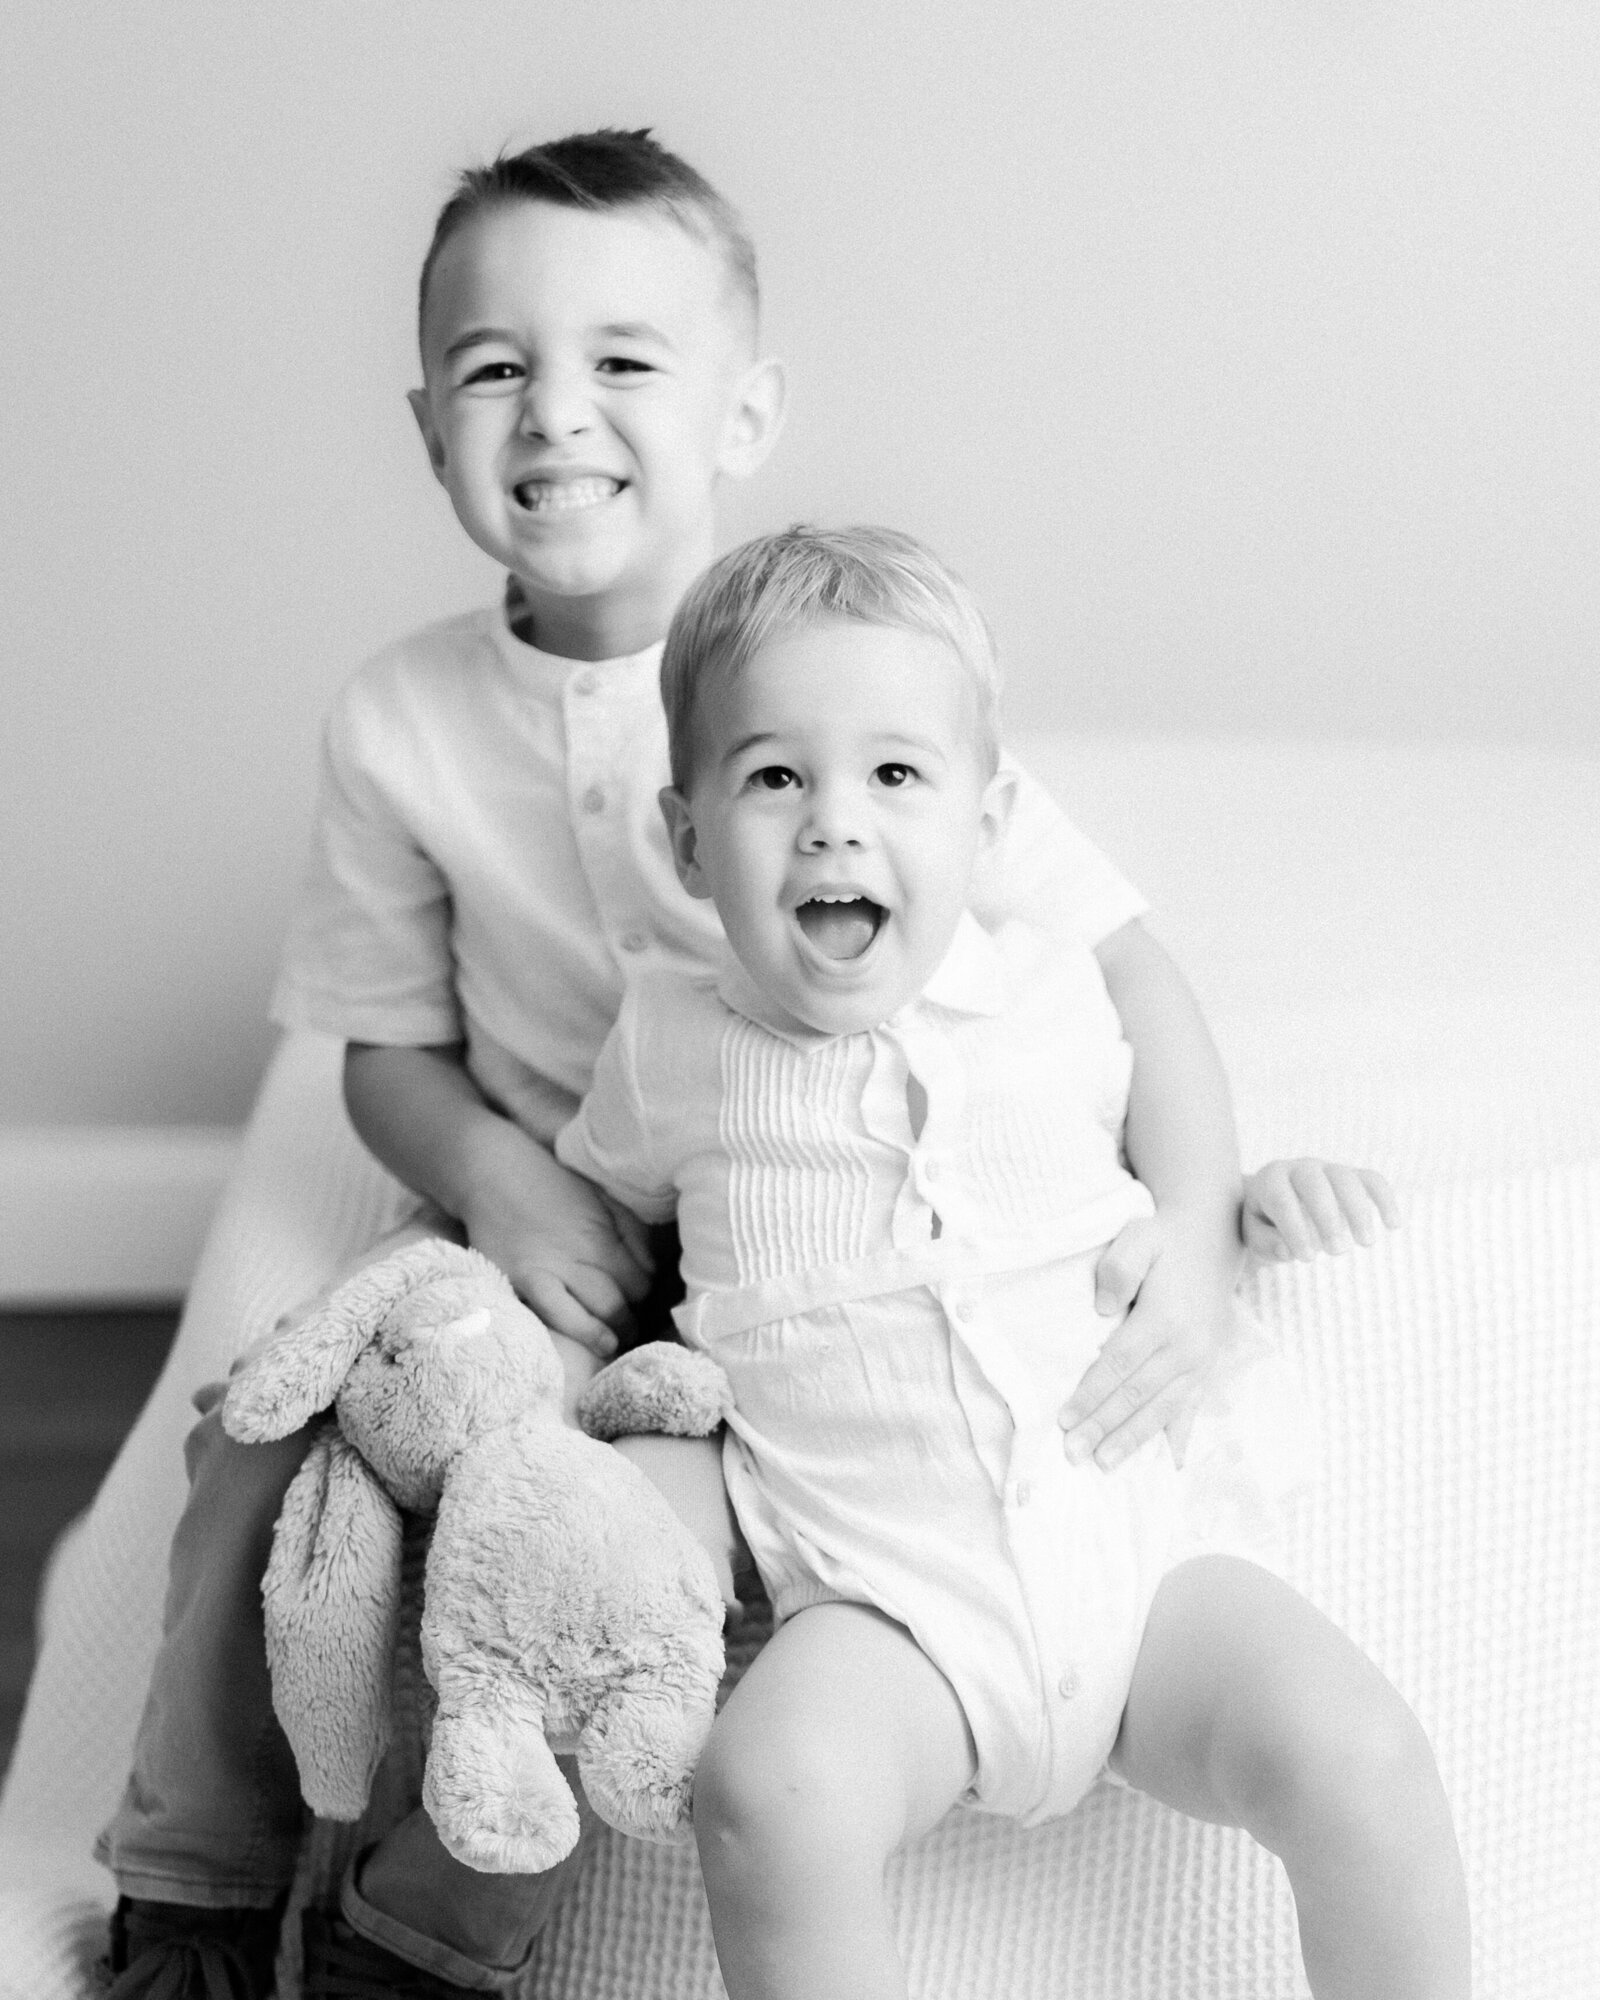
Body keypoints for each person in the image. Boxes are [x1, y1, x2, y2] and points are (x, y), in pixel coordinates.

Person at [96, 131, 1394, 2000]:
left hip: (772, 1278)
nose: (558, 414)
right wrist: (499, 1178)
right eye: (494, 369)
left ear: (742, 407)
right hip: (560, 1217)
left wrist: (1194, 1226)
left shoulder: (829, 674)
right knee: (270, 1434)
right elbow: (383, 1053)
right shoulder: (399, 724)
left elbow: (1125, 975)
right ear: (427, 419)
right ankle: (193, 1884)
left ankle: (418, 1942)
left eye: (625, 361)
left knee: (595, 1576)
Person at [556, 524, 1469, 2000]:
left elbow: (1165, 1175)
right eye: (775, 775)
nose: (836, 826)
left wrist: (1252, 1197)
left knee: (1358, 1753)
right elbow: (589, 1221)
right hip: (884, 1608)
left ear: (987, 828)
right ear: (685, 839)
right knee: (767, 1794)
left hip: (1140, 1570)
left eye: (895, 776)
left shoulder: (1051, 998)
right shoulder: (670, 1044)